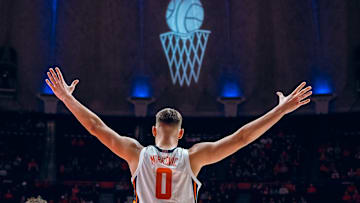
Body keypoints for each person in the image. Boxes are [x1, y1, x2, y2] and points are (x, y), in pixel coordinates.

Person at [45, 67, 312, 203]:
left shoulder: (137, 153)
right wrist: (281, 110)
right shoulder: (194, 157)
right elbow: (242, 137)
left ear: (153, 130)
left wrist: (67, 98)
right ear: (182, 133)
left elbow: (95, 126)